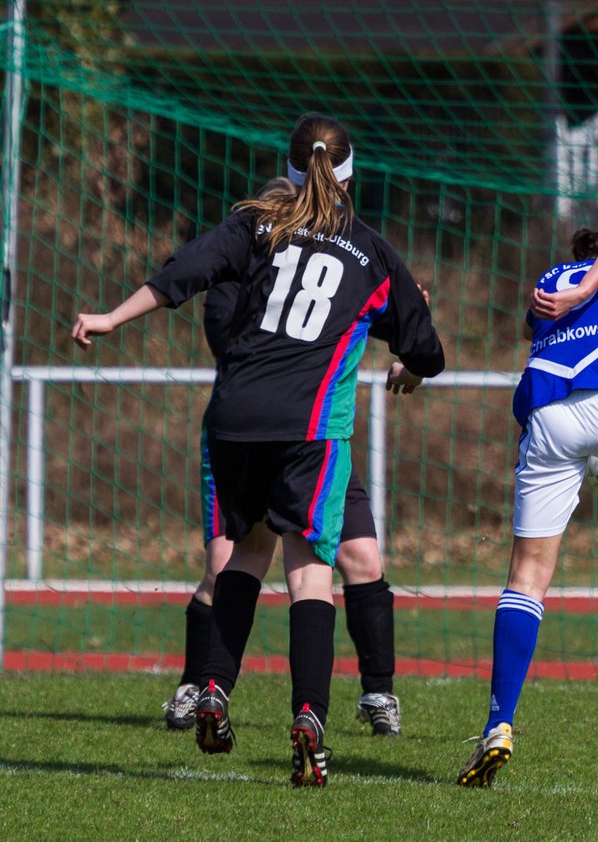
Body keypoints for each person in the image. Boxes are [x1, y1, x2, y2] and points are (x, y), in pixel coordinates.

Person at [72, 113, 446, 786]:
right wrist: (410, 368)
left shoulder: (257, 226)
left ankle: (214, 689)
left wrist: (106, 317)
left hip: (235, 418)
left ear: (292, 167)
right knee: (310, 574)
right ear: (353, 172)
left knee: (245, 552)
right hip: (308, 431)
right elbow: (426, 350)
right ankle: (309, 719)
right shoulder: (373, 253)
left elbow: (179, 276)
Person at [163, 178, 408, 739]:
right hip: (256, 434)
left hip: (321, 438)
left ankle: (378, 692)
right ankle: (199, 684)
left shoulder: (343, 261)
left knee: (363, 560)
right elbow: (233, 340)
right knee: (229, 564)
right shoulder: (245, 266)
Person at [455, 222, 598, 788]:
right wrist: (595, 285)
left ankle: (499, 723)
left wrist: (573, 293)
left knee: (526, 578)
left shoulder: (552, 279)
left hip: (547, 418)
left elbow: (539, 322)